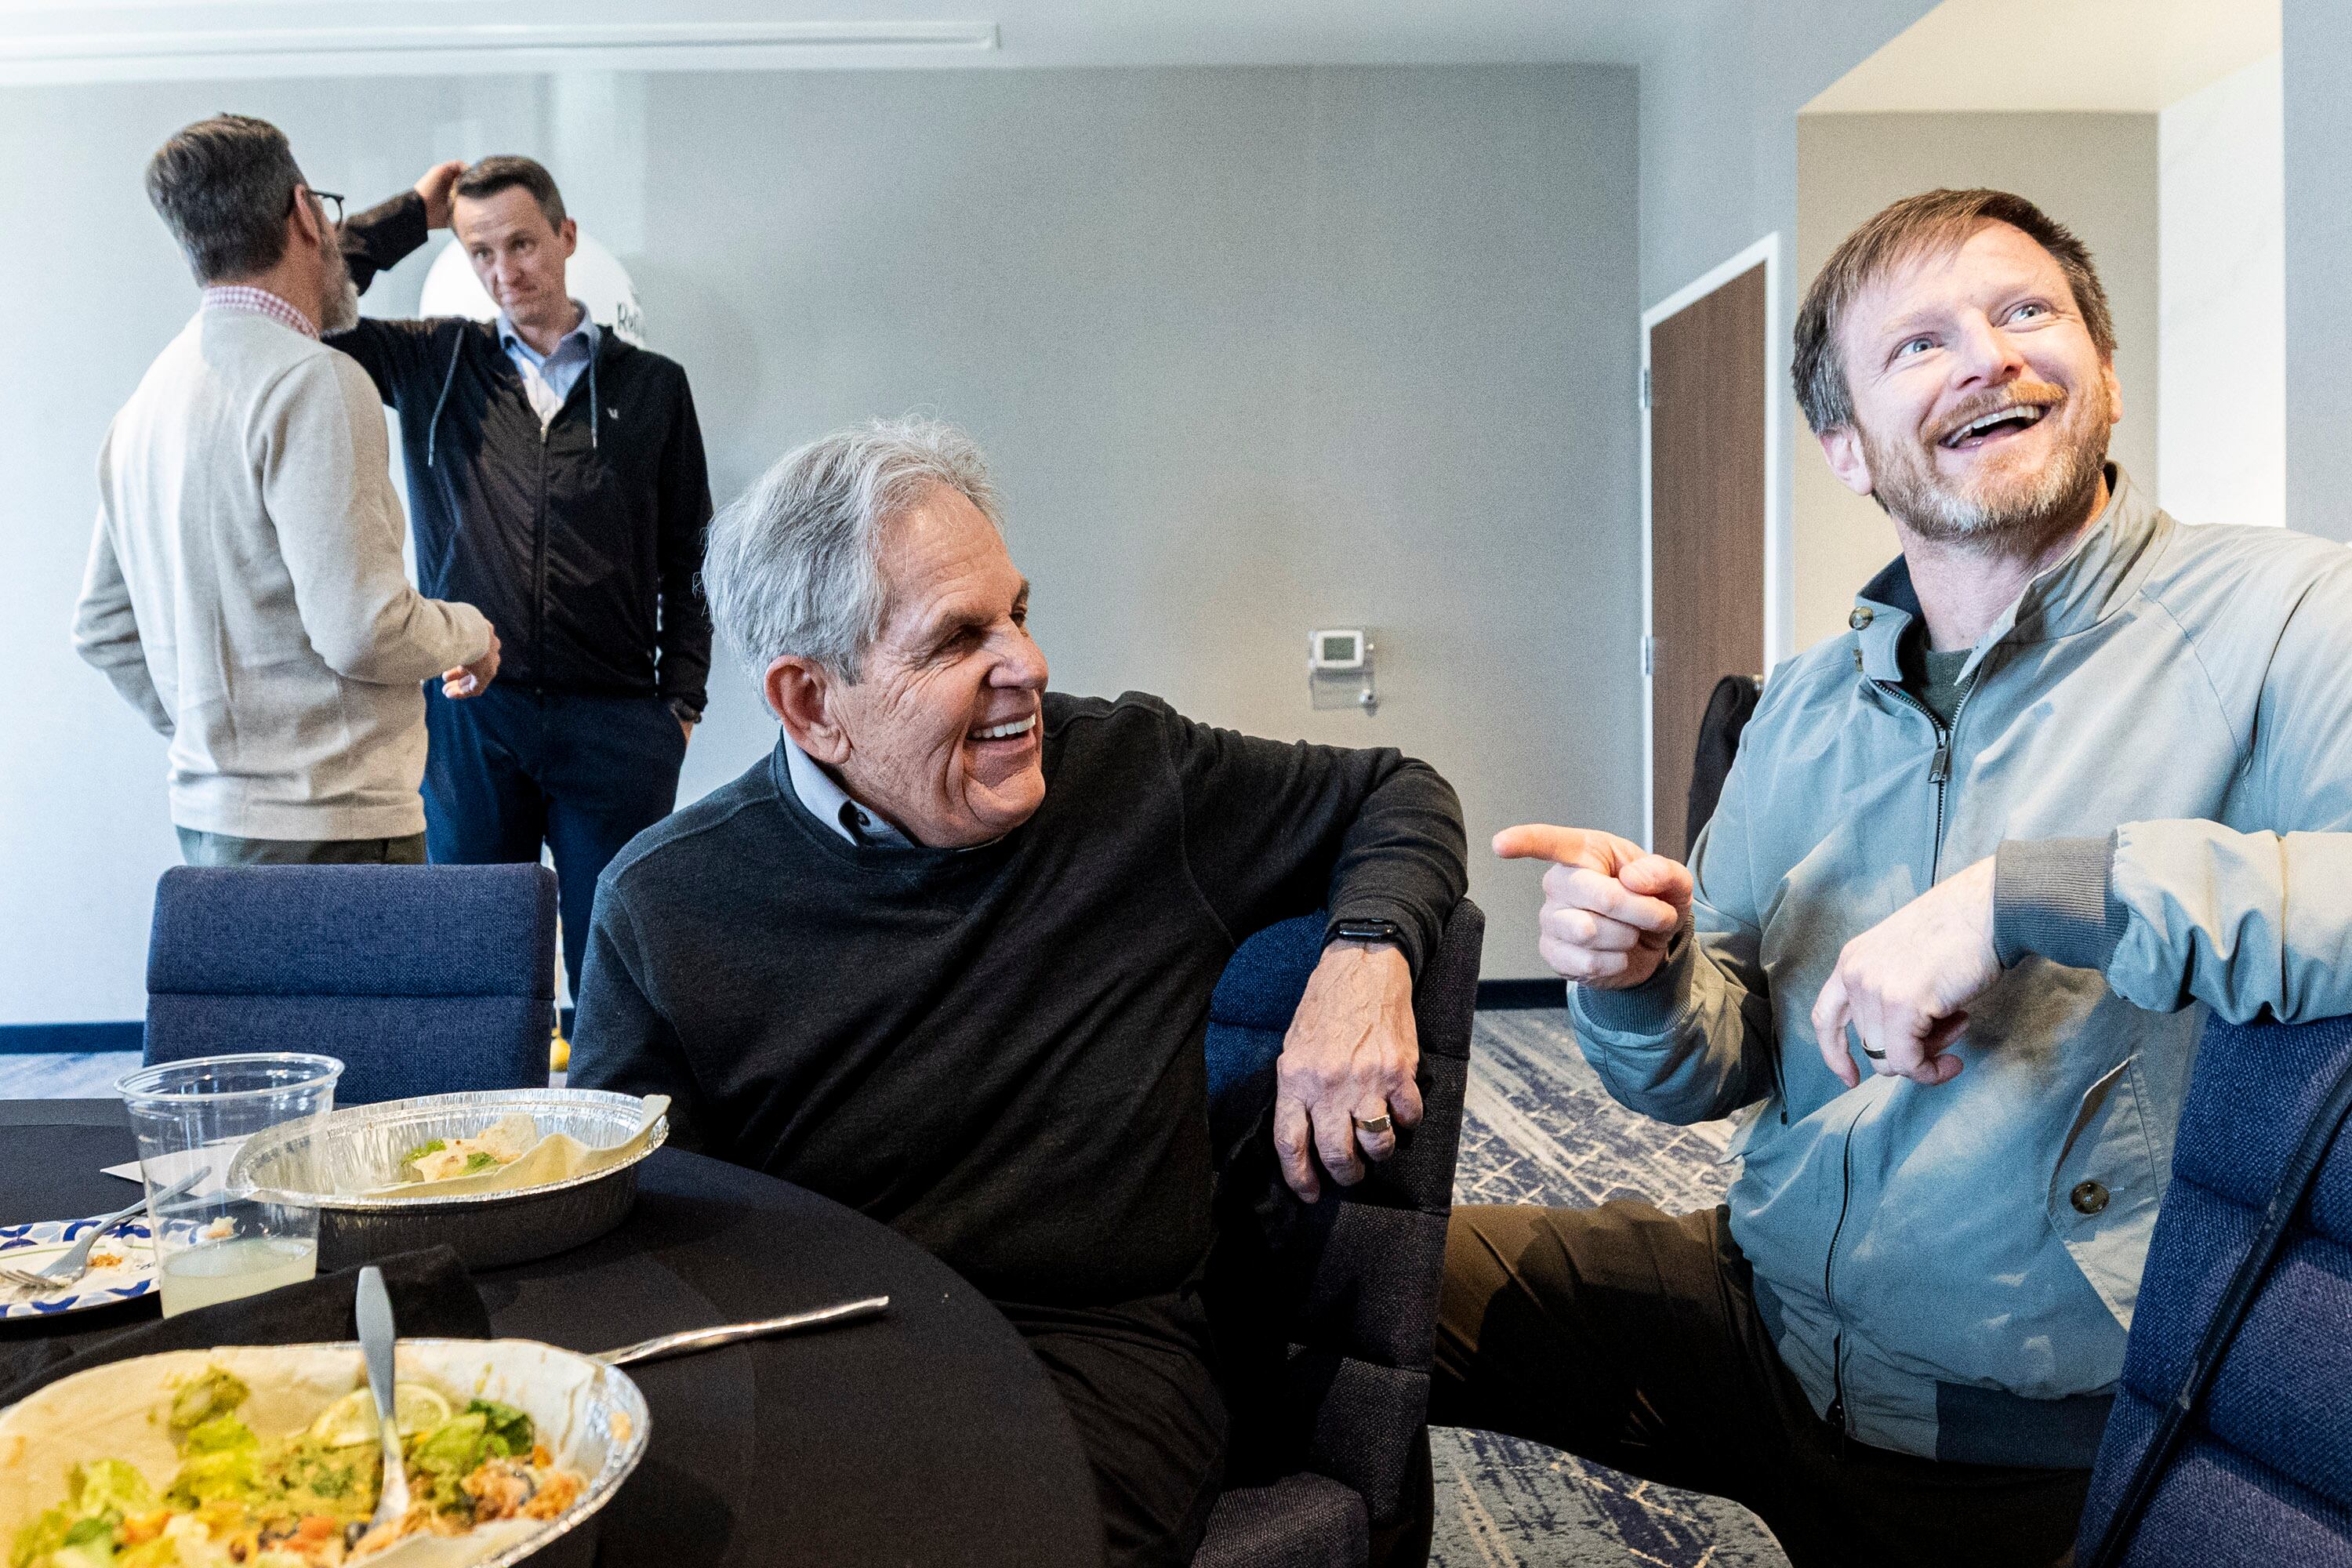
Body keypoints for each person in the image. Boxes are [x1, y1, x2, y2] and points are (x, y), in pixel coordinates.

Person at [1434, 187, 2352, 1567]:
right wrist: (1637, 980)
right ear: (1846, 447)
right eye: (1919, 343)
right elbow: (1704, 1068)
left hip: (2033, 1436)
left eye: (2027, 311)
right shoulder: (1805, 703)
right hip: (1772, 1319)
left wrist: (2026, 894)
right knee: (1342, 1277)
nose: (1989, 355)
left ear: (2102, 373)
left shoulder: (2284, 618)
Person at [568, 419, 1468, 1567]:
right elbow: (636, 1229)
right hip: (813, 1351)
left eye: (1020, 614)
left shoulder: (1134, 777)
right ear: (808, 702)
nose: (1028, 665)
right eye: (958, 640)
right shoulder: (665, 903)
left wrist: (1369, 954)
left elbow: (1398, 792)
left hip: (1097, 1355)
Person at [327, 155, 713, 996]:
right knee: (475, 968)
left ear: (567, 236)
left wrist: (679, 705)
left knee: (618, 972)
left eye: (524, 243)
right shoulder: (435, 364)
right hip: (470, 718)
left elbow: (693, 556)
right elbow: (309, 314)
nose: (506, 271)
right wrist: (409, 218)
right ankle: (484, 1130)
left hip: (614, 726)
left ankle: (614, 1127)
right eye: (481, 252)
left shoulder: (653, 387)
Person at [73, 114, 499, 866]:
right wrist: (472, 630)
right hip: (336, 833)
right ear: (307, 214)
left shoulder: (145, 404)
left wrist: (220, 743)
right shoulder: (317, 382)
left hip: (209, 829)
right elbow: (366, 630)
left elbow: (104, 629)